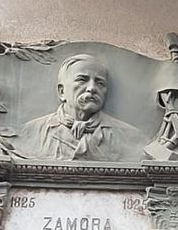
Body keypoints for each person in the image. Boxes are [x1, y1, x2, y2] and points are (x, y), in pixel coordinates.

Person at [17, 54, 145, 161]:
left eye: (100, 83)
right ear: (62, 91)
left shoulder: (129, 136)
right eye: (82, 80)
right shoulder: (32, 132)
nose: (92, 88)